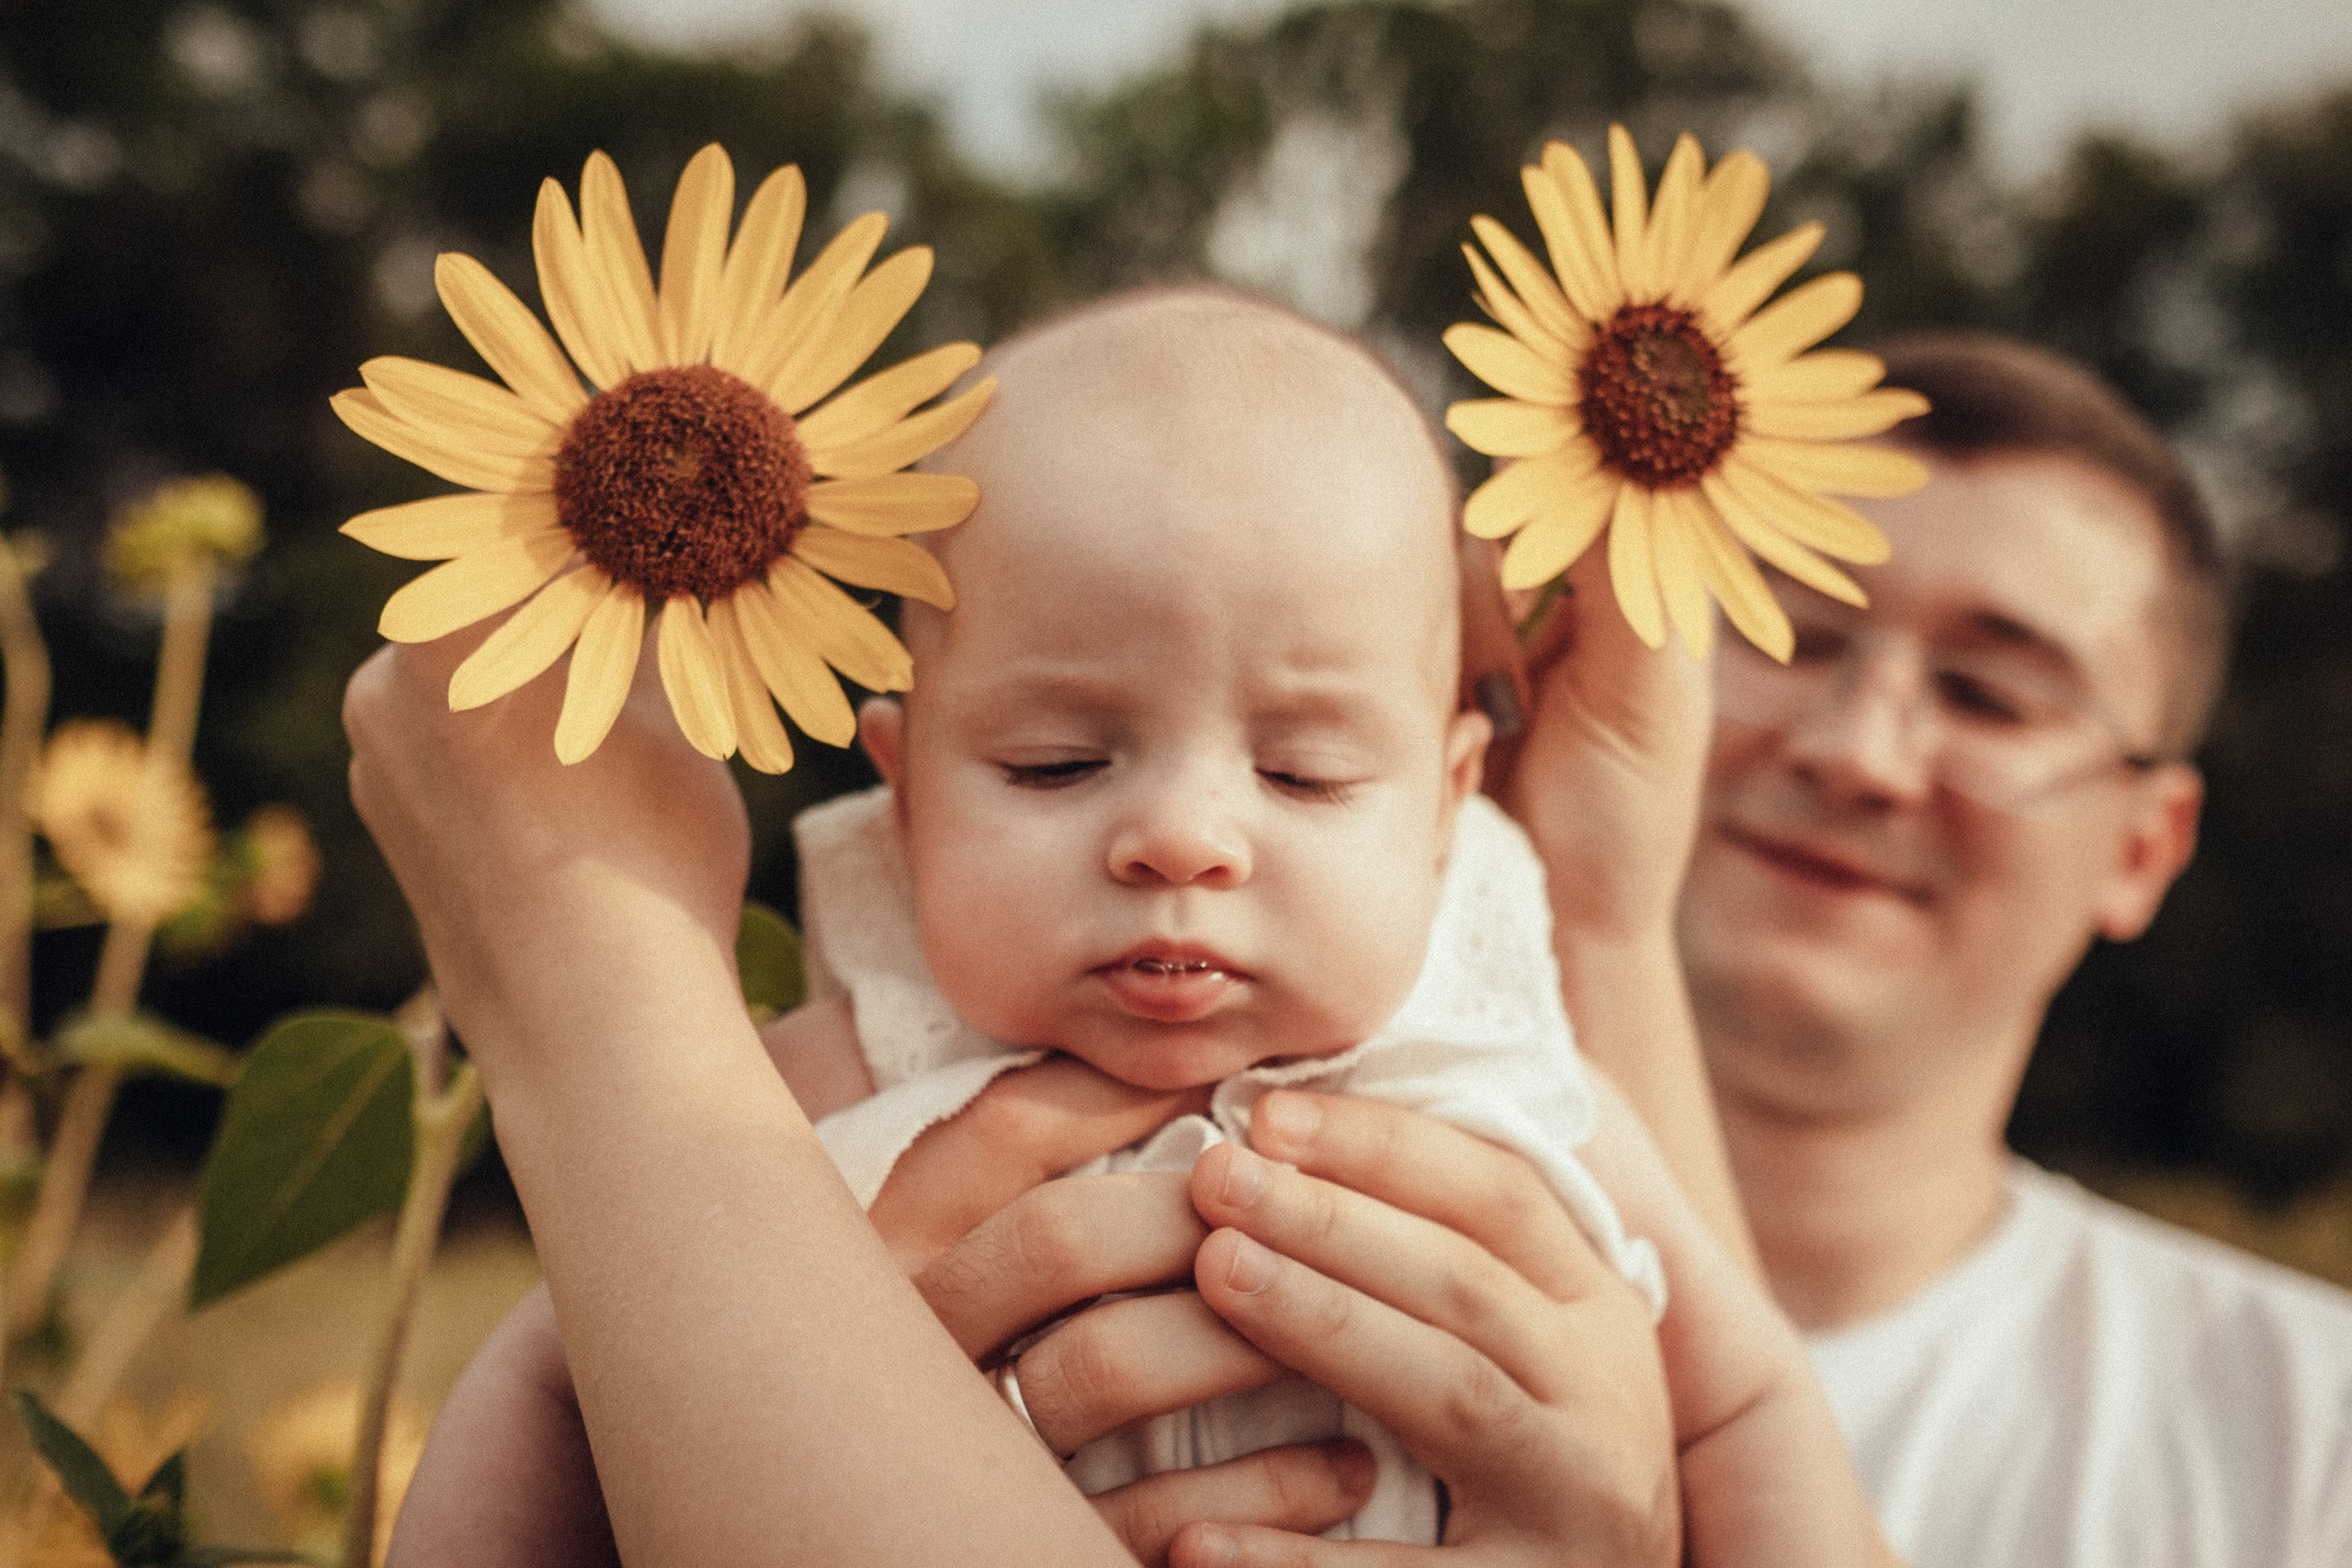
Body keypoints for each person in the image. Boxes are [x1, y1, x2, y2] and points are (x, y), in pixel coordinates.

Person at [379, 288, 1879, 1564]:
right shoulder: (842, 1073)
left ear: (1446, 805)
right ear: (902, 801)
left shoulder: (1498, 1058)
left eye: (1302, 772)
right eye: (1054, 764)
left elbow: (1746, 1396)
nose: (1180, 837)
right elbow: (557, 1383)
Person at [1498, 331, 2352, 1568]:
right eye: (1790, 634)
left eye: (1992, 696)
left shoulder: (2308, 1445)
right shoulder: (1280, 1246)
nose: (1858, 751)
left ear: (2144, 849)